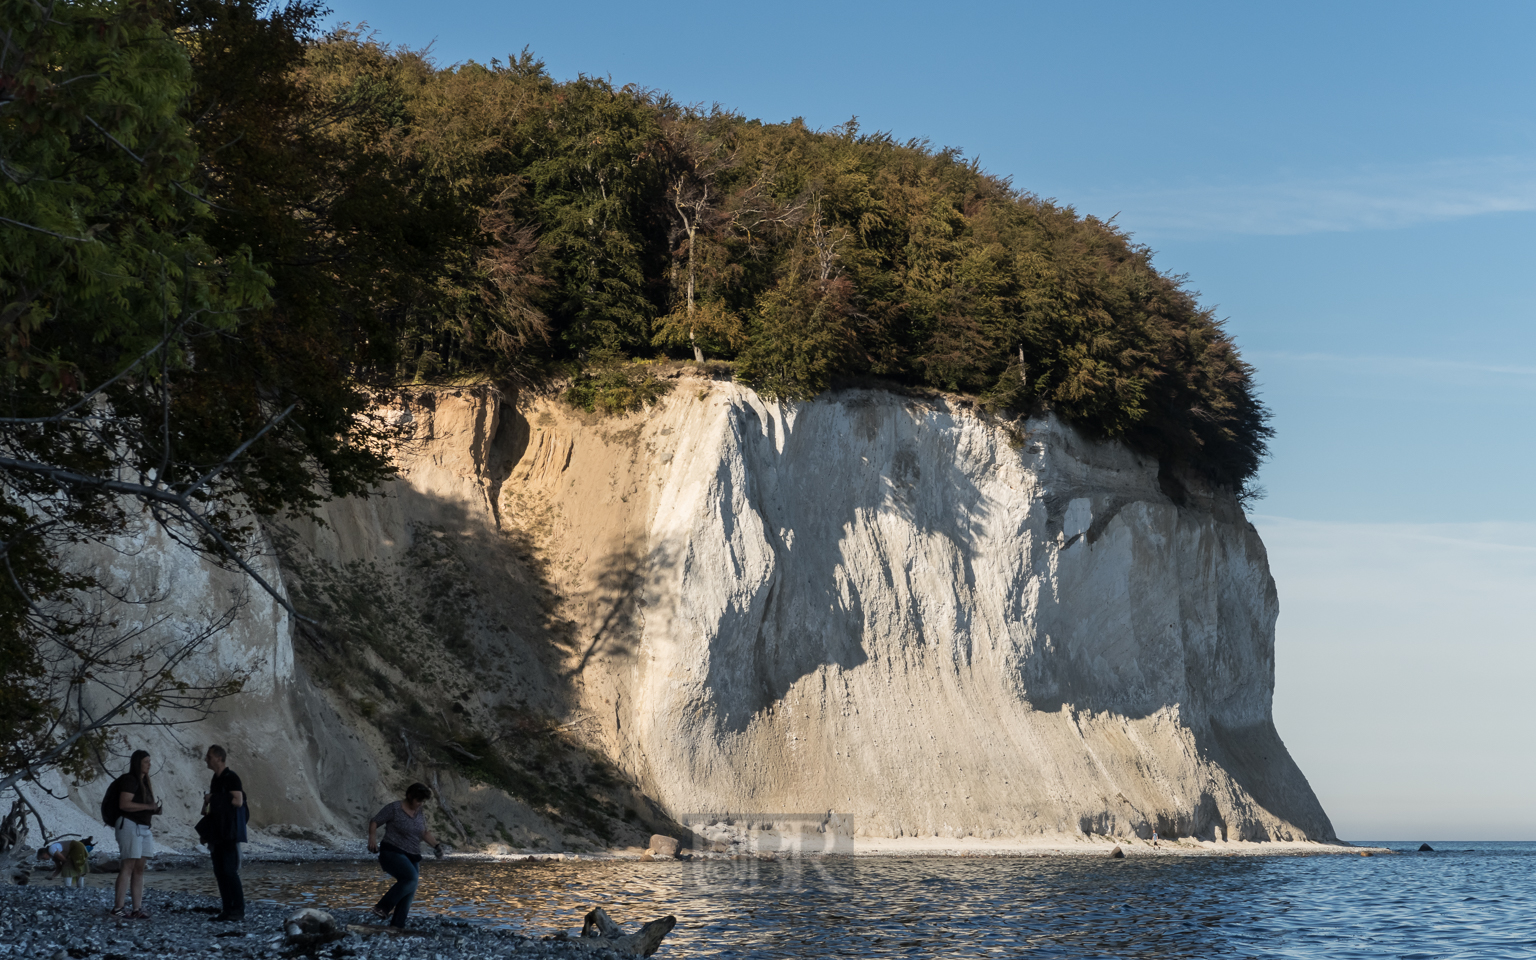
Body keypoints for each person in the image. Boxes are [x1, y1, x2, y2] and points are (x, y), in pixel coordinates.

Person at [366, 783, 444, 929]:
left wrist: (437, 846)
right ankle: (382, 907)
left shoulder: (419, 812)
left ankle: (397, 925)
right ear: (409, 796)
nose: (420, 804)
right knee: (411, 878)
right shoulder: (394, 808)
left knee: (410, 888)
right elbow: (375, 821)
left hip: (412, 855)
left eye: (422, 801)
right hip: (392, 851)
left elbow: (423, 833)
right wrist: (372, 839)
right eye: (418, 800)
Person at [109, 750, 161, 919]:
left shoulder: (144, 781)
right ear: (138, 762)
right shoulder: (130, 780)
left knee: (139, 868)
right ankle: (118, 907)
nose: (149, 764)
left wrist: (152, 809)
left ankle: (137, 908)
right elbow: (124, 804)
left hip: (143, 826)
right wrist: (148, 807)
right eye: (146, 761)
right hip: (130, 825)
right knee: (128, 865)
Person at [200, 744, 247, 922]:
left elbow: (238, 800)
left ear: (219, 758)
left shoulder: (231, 777)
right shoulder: (216, 778)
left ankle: (238, 909)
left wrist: (213, 798)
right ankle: (227, 909)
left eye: (209, 756)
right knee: (219, 871)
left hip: (229, 832)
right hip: (218, 831)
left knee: (229, 870)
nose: (206, 759)